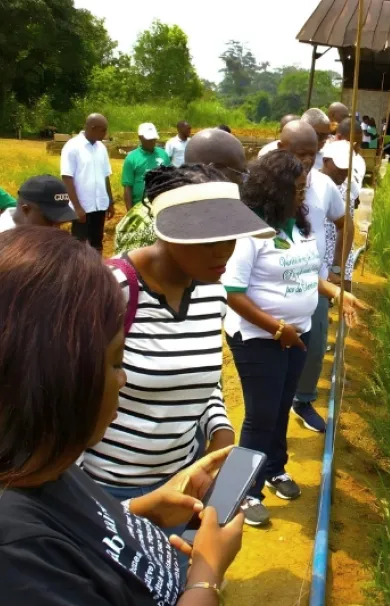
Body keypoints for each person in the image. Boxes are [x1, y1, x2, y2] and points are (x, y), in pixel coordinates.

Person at [0, 226, 245, 606]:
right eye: (116, 361)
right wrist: (206, 577)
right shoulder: (17, 556)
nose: (124, 377)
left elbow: (82, 526)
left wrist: (141, 511)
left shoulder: (46, 462)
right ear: (60, 378)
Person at [86, 165, 274, 512]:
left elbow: (206, 380)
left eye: (230, 237)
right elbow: (68, 395)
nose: (223, 252)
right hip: (106, 489)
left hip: (183, 482)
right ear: (169, 233)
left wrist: (220, 430)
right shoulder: (110, 290)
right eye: (208, 239)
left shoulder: (212, 292)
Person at [223, 151, 365, 524]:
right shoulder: (250, 231)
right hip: (258, 337)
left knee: (282, 404)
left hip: (294, 334)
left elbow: (305, 274)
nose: (304, 196)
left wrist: (337, 293)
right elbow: (233, 292)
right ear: (275, 190)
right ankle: (236, 494)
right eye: (298, 189)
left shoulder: (296, 225)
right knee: (259, 416)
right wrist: (276, 328)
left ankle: (273, 468)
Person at [286, 123, 354, 433]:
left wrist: (338, 270)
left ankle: (303, 399)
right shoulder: (265, 184)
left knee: (314, 346)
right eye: (297, 153)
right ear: (280, 149)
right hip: (274, 283)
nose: (304, 161)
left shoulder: (324, 187)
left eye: (310, 155)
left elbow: (345, 224)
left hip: (315, 283)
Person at [114, 128, 250, 255]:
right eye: (240, 173)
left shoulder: (211, 211)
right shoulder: (148, 221)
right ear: (213, 169)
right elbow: (133, 276)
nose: (243, 181)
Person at [61, 113, 115, 252]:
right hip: (83, 207)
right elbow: (67, 178)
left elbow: (105, 175)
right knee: (80, 247)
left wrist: (110, 201)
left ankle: (97, 272)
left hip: (99, 206)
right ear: (92, 128)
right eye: (103, 130)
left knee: (97, 244)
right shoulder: (72, 146)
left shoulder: (101, 148)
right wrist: (77, 207)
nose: (105, 133)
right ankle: (80, 274)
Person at [326, 120, 366, 292]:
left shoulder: (357, 165)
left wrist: (339, 270)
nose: (343, 173)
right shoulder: (315, 180)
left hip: (337, 245)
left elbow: (348, 226)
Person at [0, 175, 77, 232]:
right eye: (50, 221)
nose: (56, 229)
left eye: (60, 224)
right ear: (26, 210)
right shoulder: (4, 243)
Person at [122, 123, 170, 210]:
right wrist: (129, 211)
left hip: (162, 204)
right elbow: (128, 187)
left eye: (153, 138)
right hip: (140, 207)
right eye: (149, 139)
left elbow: (170, 179)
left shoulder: (163, 155)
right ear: (140, 137)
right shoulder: (131, 158)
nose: (152, 141)